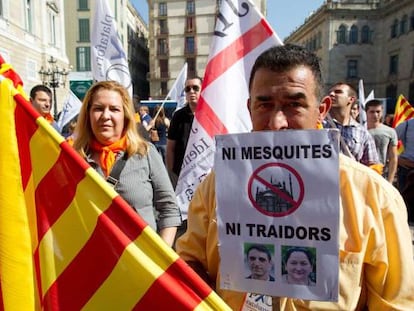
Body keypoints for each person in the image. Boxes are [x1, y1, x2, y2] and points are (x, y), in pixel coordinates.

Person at [176, 44, 414, 310]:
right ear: (249, 107)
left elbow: (396, 303)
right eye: (264, 104)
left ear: (322, 109)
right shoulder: (217, 184)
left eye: (294, 105)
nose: (277, 122)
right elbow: (189, 260)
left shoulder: (374, 197)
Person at [73, 81, 181, 247]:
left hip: (142, 261)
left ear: (125, 115)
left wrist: (160, 258)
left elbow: (169, 208)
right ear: (87, 114)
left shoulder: (146, 153)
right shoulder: (72, 158)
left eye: (114, 109)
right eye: (98, 108)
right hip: (91, 264)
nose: (105, 116)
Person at [323, 82, 379, 167]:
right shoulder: (318, 125)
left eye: (338, 92)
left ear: (351, 99)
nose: (331, 94)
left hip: (350, 179)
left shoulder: (363, 132)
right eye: (330, 92)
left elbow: (372, 166)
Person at [166, 76, 202, 187]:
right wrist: (171, 174)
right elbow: (170, 148)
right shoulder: (178, 116)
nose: (191, 91)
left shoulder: (210, 114)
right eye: (187, 89)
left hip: (204, 173)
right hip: (181, 175)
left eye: (195, 88)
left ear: (202, 89)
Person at [366, 99, 398, 183]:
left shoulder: (390, 131)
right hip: (362, 174)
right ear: (366, 112)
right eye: (372, 112)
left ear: (382, 112)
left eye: (378, 111)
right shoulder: (359, 130)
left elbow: (393, 158)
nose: (375, 115)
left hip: (381, 175)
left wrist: (390, 181)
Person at [396, 118, 414, 222]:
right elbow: (390, 140)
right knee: (406, 208)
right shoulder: (406, 125)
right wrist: (398, 160)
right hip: (407, 170)